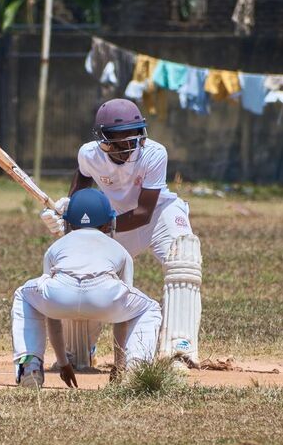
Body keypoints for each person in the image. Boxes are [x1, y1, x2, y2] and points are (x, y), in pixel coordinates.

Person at [40, 98, 202, 364]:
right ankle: (79, 351)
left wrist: (95, 227)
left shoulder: (154, 153)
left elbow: (143, 212)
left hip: (158, 215)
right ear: (104, 140)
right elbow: (80, 195)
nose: (130, 148)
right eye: (121, 143)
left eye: (134, 139)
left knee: (183, 254)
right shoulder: (89, 155)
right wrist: (67, 216)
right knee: (82, 267)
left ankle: (179, 349)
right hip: (116, 220)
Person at [13, 189, 162, 389]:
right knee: (148, 308)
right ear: (109, 222)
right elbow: (123, 319)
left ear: (68, 222)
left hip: (59, 295)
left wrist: (63, 362)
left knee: (24, 294)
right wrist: (119, 366)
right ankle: (135, 370)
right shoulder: (120, 250)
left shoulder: (56, 247)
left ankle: (29, 367)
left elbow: (52, 317)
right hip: (105, 296)